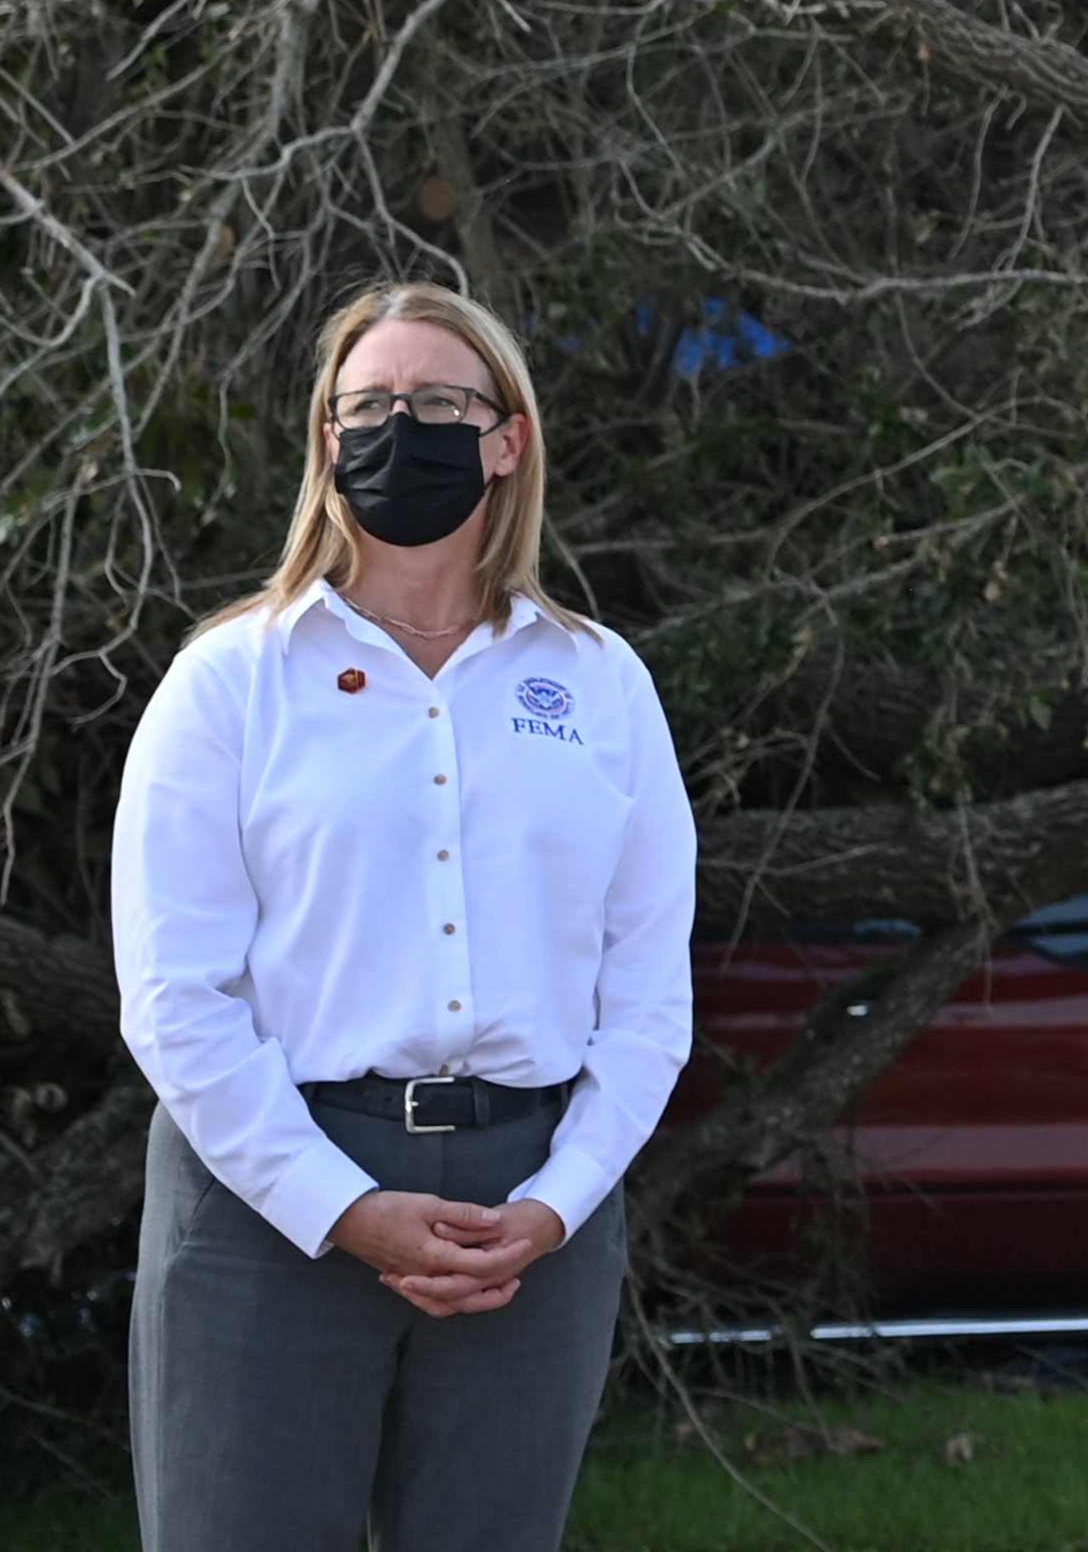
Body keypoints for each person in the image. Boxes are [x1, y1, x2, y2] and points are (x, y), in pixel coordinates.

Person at [112, 280, 693, 1552]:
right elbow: (174, 994)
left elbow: (649, 993)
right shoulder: (231, 681)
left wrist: (558, 1201)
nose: (399, 427)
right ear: (327, 440)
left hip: (528, 1219)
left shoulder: (600, 685)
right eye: (366, 404)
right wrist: (339, 1205)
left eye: (438, 401)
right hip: (269, 1208)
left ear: (506, 440)